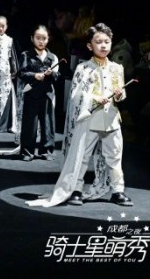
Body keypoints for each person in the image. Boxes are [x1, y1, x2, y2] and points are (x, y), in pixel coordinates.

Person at [27, 22, 133, 207]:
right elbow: (75, 95)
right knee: (82, 155)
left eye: (106, 42)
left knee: (114, 155)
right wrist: (95, 98)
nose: (103, 46)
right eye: (98, 42)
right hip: (89, 118)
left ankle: (118, 191)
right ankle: (76, 188)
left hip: (111, 118)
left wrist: (119, 94)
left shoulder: (117, 68)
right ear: (90, 46)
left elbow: (121, 94)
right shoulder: (83, 68)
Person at [16, 25, 60, 160]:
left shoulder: (52, 57)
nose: (41, 41)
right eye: (38, 38)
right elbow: (21, 73)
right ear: (32, 38)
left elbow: (57, 76)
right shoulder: (26, 55)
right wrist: (35, 75)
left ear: (48, 39)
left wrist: (51, 74)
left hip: (47, 93)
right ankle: (27, 152)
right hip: (31, 93)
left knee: (48, 123)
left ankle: (46, 151)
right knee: (30, 123)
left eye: (44, 38)